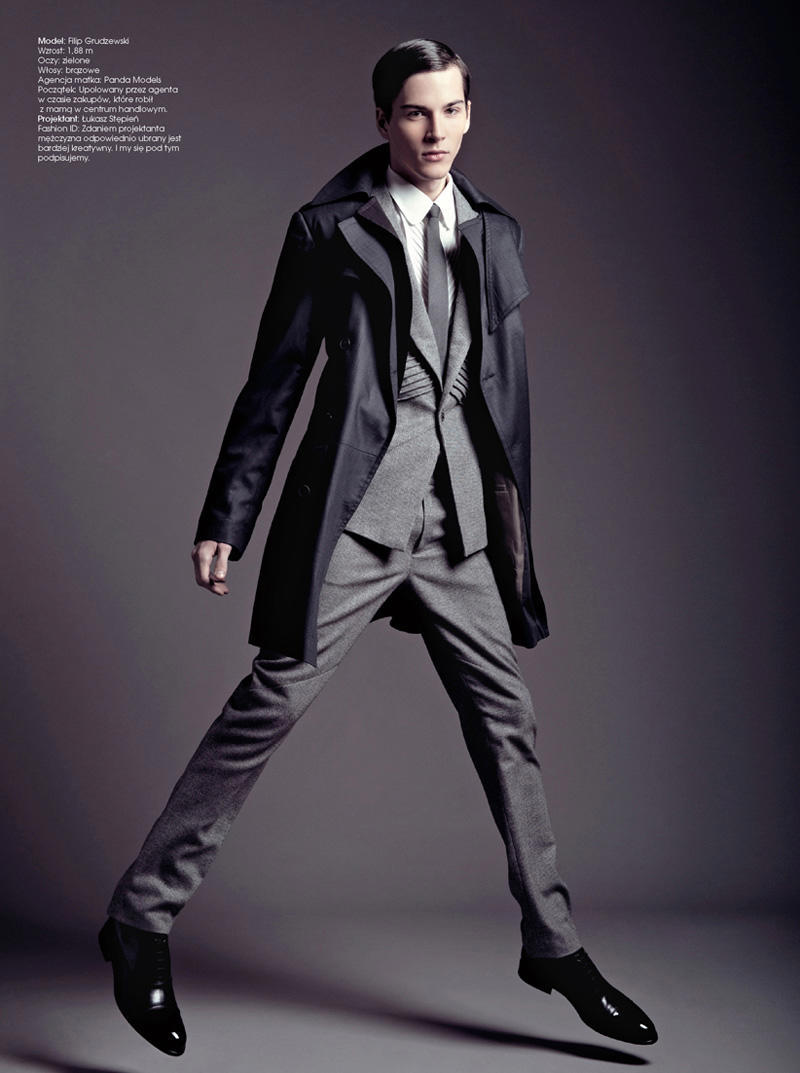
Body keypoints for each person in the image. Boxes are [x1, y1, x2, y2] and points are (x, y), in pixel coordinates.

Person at [99, 38, 657, 1056]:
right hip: (356, 512)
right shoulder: (328, 229)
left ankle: (554, 942)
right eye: (413, 112)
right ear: (382, 121)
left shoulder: (495, 231)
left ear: (470, 113)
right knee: (269, 704)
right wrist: (228, 513)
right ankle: (140, 916)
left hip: (460, 522)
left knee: (508, 721)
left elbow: (497, 394)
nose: (435, 131)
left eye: (450, 110)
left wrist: (506, 518)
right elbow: (275, 378)